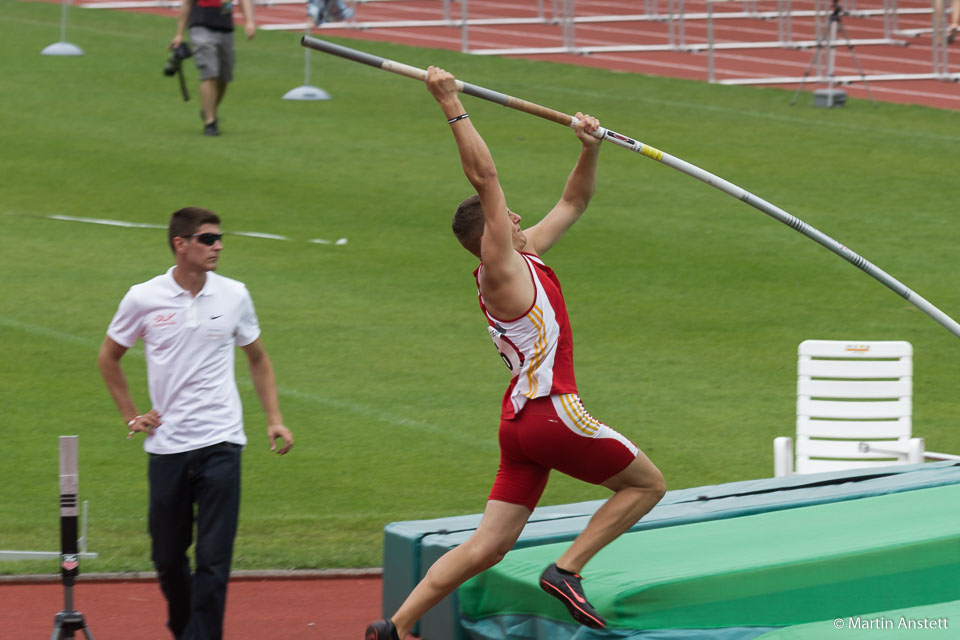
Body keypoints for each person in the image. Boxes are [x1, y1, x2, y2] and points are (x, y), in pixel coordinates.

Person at [364, 68, 666, 640]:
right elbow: (485, 175)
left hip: (519, 424)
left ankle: (395, 627)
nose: (521, 217)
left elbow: (574, 201)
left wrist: (588, 147)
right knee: (647, 485)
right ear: (494, 234)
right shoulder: (502, 269)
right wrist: (451, 102)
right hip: (553, 410)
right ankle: (567, 569)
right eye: (509, 218)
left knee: (489, 544)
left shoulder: (525, 257)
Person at [98, 206, 294, 640]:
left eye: (219, 238)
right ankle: (186, 628)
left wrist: (274, 419)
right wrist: (132, 414)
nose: (218, 246)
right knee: (167, 558)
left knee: (213, 558)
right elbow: (109, 357)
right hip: (167, 447)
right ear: (180, 244)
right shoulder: (142, 297)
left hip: (222, 440)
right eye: (208, 239)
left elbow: (258, 358)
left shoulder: (234, 295)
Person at [171, 0, 256, 136]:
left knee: (224, 77)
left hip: (225, 26)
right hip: (200, 25)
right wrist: (179, 34)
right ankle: (210, 122)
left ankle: (208, 109)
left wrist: (250, 21)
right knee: (209, 72)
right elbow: (187, 3)